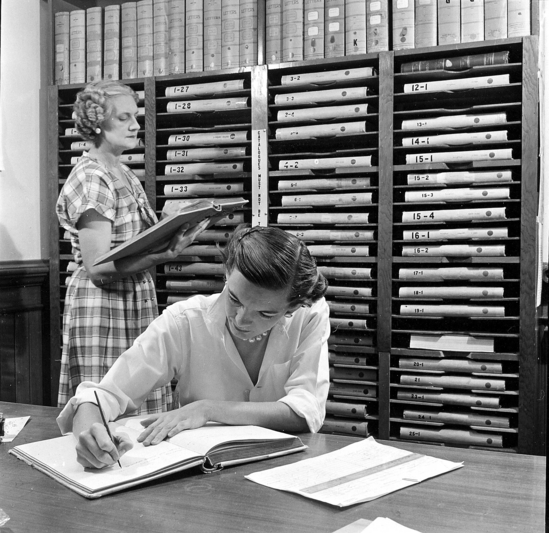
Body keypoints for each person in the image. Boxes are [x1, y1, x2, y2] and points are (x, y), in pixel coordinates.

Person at [57, 225, 331, 470]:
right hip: (203, 478)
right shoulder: (183, 321)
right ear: (227, 273)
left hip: (285, 470)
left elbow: (305, 411)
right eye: (234, 299)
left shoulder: (309, 316)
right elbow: (101, 396)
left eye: (265, 314)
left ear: (292, 307)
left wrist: (207, 409)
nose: (240, 319)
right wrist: (90, 435)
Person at [56, 80, 207, 415]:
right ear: (97, 123)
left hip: (131, 298)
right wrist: (162, 254)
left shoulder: (122, 172)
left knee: (137, 395)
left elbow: (130, 242)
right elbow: (97, 269)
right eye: (124, 118)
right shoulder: (92, 178)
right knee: (105, 405)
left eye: (135, 116)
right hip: (105, 306)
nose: (136, 125)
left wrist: (169, 224)